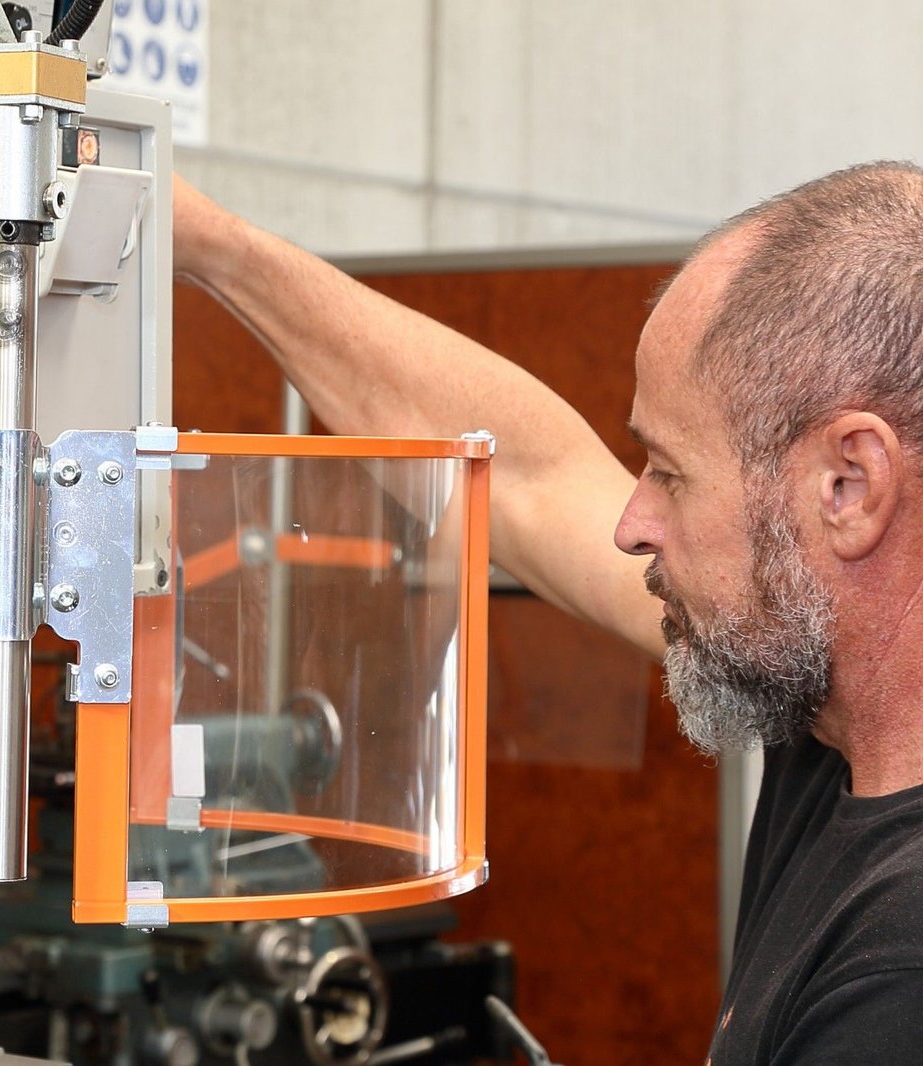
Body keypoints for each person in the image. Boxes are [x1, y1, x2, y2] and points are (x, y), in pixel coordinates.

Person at [173, 163, 923, 1065]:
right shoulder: (824, 674)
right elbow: (527, 477)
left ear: (849, 485)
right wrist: (211, 243)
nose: (631, 523)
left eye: (672, 475)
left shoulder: (898, 978)